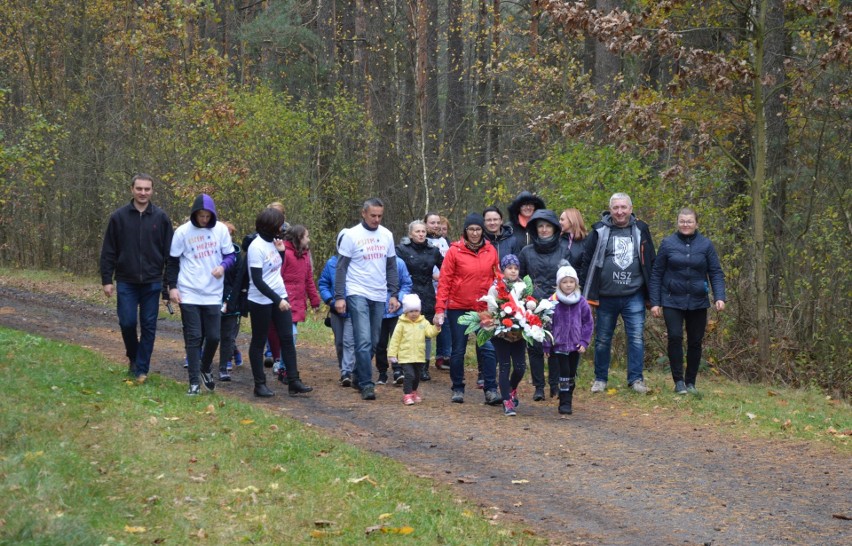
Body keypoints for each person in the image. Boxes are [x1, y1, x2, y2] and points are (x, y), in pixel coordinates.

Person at [100, 173, 174, 384]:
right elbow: (108, 251)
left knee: (149, 325)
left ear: (152, 191)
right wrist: (107, 279)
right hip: (126, 281)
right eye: (139, 189)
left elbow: (170, 255)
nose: (143, 193)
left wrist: (168, 284)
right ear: (132, 189)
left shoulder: (161, 218)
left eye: (147, 189)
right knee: (127, 322)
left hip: (152, 281)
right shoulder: (119, 217)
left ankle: (141, 369)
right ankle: (133, 357)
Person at [579, 192, 656, 394]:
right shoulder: (599, 230)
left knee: (636, 338)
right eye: (616, 208)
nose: (620, 211)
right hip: (605, 295)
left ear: (631, 209)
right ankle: (600, 379)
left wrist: (654, 296)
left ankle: (636, 380)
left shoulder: (641, 229)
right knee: (603, 338)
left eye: (623, 207)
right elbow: (587, 262)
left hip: (634, 295)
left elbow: (651, 262)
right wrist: (585, 293)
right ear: (610, 209)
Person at [649, 208, 726, 395]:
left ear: (696, 224)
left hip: (698, 301)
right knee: (675, 337)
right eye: (682, 221)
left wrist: (720, 297)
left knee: (695, 341)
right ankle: (679, 382)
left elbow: (715, 272)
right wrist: (655, 302)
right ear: (677, 223)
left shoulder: (706, 245)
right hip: (671, 300)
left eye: (689, 221)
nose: (685, 224)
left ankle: (691, 382)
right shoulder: (667, 244)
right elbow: (657, 273)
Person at [166, 194, 236, 394]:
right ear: (194, 214)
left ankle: (206, 367)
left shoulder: (220, 230)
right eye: (200, 216)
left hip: (213, 292)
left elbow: (231, 256)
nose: (204, 220)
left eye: (207, 216)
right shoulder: (182, 232)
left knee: (213, 337)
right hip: (189, 290)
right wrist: (172, 287)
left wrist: (223, 267)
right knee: (194, 336)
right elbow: (172, 261)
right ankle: (194, 383)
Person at [335, 198, 400, 401]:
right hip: (357, 292)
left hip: (379, 293)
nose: (376, 219)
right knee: (362, 340)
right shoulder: (351, 235)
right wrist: (339, 296)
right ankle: (366, 383)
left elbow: (391, 266)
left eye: (380, 216)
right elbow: (341, 267)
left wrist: (394, 293)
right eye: (373, 215)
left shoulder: (387, 235)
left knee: (372, 342)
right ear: (364, 213)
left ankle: (356, 374)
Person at [433, 213, 500, 405]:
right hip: (458, 307)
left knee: (487, 348)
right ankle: (458, 387)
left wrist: (503, 301)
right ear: (465, 231)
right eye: (471, 229)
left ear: (483, 231)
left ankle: (491, 389)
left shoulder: (490, 251)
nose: (475, 233)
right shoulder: (455, 251)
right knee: (458, 349)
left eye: (478, 229)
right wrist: (440, 309)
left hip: (484, 307)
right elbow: (444, 281)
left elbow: (498, 278)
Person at [246, 207, 313, 397]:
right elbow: (258, 280)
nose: (282, 228)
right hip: (260, 300)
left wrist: (282, 253)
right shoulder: (256, 246)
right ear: (270, 226)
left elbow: (274, 270)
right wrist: (277, 301)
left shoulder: (275, 243)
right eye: (279, 224)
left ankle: (294, 381)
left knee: (287, 339)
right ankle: (260, 384)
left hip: (279, 296)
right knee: (259, 341)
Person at [518, 209, 573, 400]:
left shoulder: (564, 249)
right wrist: (525, 300)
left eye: (547, 226)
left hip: (558, 302)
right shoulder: (526, 252)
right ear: (535, 229)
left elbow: (569, 278)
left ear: (554, 228)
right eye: (540, 226)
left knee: (557, 343)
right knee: (534, 346)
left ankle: (555, 385)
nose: (543, 230)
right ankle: (538, 386)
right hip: (533, 303)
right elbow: (521, 279)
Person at [269, 225, 321, 383]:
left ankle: (284, 368)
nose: (309, 239)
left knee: (291, 337)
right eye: (306, 236)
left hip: (298, 302)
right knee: (290, 336)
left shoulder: (305, 256)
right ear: (299, 238)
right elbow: (275, 276)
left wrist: (315, 300)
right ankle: (285, 368)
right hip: (284, 301)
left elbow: (308, 280)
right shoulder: (285, 254)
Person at [396, 220, 444, 380]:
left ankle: (424, 366)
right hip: (408, 292)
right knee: (406, 330)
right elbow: (394, 269)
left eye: (423, 231)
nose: (421, 234)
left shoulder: (433, 251)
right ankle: (404, 364)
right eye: (417, 232)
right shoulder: (402, 250)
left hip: (428, 292)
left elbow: (446, 267)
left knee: (426, 331)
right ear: (410, 234)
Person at [544, 265, 594, 415]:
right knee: (564, 371)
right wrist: (546, 345)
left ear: (576, 283)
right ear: (559, 284)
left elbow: (588, 322)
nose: (568, 285)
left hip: (575, 344)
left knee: (571, 372)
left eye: (571, 282)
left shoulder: (582, 302)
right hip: (558, 344)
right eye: (564, 282)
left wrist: (584, 341)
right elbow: (546, 323)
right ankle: (565, 402)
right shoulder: (552, 301)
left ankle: (568, 394)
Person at [488, 254, 528, 416]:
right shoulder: (496, 287)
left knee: (520, 367)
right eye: (509, 268)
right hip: (501, 335)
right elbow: (491, 310)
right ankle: (507, 401)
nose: (513, 271)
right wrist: (501, 321)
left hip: (518, 334)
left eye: (516, 268)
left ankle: (512, 388)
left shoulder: (524, 286)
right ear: (503, 270)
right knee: (504, 366)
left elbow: (528, 306)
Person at [388, 294, 442, 405]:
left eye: (416, 311)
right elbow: (395, 339)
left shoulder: (423, 322)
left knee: (417, 376)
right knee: (409, 375)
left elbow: (430, 332)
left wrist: (437, 327)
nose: (414, 314)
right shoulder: (401, 324)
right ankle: (407, 394)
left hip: (419, 355)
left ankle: (413, 391)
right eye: (411, 311)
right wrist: (392, 354)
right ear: (406, 311)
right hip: (405, 356)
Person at [318, 230, 356, 386]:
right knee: (339, 342)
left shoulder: (359, 263)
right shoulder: (332, 263)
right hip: (335, 310)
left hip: (353, 309)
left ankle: (347, 371)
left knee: (349, 341)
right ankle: (344, 369)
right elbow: (323, 283)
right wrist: (329, 300)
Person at [375, 256, 412, 385]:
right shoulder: (372, 261)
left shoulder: (399, 262)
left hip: (396, 311)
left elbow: (407, 284)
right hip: (377, 309)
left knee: (398, 341)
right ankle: (382, 372)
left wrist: (399, 299)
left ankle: (398, 370)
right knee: (380, 343)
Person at [425, 212, 452, 371]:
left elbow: (448, 262)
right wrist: (432, 275)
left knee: (444, 321)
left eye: (437, 223)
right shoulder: (422, 239)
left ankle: (443, 356)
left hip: (444, 286)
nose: (435, 226)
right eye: (432, 223)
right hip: (427, 286)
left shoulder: (444, 242)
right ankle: (422, 359)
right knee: (428, 322)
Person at [218, 221, 242, 381]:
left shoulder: (238, 254)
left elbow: (239, 281)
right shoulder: (211, 251)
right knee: (211, 334)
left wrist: (230, 300)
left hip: (231, 300)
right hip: (212, 298)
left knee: (228, 334)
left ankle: (225, 362)